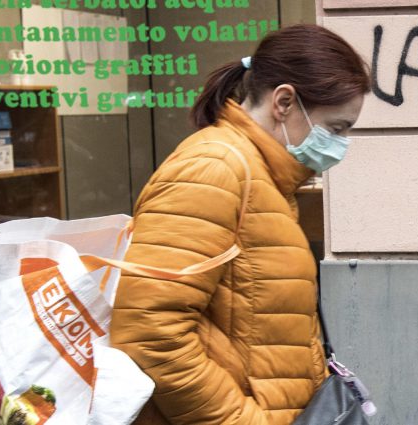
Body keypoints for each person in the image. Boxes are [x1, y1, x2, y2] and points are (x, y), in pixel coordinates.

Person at [109, 24, 369, 424]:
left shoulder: (259, 174)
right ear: (284, 102)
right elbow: (151, 335)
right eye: (335, 128)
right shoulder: (214, 169)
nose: (340, 144)